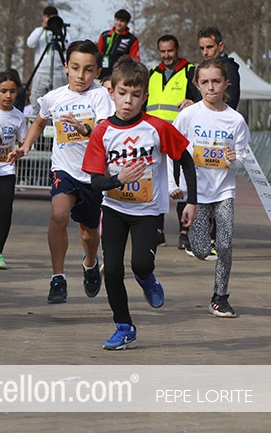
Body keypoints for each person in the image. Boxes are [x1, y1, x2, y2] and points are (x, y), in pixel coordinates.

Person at [82, 58, 197, 350]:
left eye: (135, 95)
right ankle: (124, 327)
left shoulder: (157, 127)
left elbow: (185, 159)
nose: (128, 101)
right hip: (114, 210)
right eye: (122, 93)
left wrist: (192, 201)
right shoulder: (102, 132)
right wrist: (117, 179)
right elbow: (95, 182)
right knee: (113, 271)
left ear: (145, 97)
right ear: (111, 92)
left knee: (141, 264)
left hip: (148, 211)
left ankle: (147, 278)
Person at [11, 40, 113, 304]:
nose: (81, 76)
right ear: (66, 66)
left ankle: (90, 263)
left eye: (88, 70)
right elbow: (39, 121)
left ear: (97, 72)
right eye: (75, 68)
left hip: (91, 173)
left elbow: (104, 131)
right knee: (58, 215)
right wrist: (26, 145)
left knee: (88, 233)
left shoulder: (100, 96)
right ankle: (58, 277)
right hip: (63, 169)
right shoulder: (54, 97)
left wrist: (85, 130)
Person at [173, 58, 250, 318]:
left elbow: (241, 158)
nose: (211, 87)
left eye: (216, 81)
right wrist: (175, 185)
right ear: (197, 85)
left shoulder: (235, 120)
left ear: (226, 83)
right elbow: (172, 151)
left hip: (223, 190)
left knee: (225, 244)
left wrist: (233, 159)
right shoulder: (188, 115)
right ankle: (200, 244)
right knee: (202, 250)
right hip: (195, 193)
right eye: (205, 82)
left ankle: (220, 297)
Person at [146, 34, 201, 250]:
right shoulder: (152, 73)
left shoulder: (190, 71)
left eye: (170, 51)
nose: (166, 55)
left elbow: (202, 100)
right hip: (153, 137)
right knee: (157, 184)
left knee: (181, 186)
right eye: (162, 51)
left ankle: (184, 232)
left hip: (178, 137)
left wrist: (193, 102)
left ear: (177, 49)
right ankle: (157, 231)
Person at [0, 71, 28, 270]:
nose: (8, 96)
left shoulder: (18, 116)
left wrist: (19, 151)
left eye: (12, 91)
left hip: (6, 170)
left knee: (5, 211)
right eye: (3, 91)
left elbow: (24, 143)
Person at [26, 6, 65, 110]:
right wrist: (42, 28)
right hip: (41, 71)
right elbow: (30, 43)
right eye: (48, 17)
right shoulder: (39, 31)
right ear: (44, 17)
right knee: (36, 100)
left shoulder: (62, 32)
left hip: (57, 72)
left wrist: (59, 30)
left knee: (58, 101)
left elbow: (67, 47)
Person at [197, 27, 240, 110]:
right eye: (202, 48)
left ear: (220, 46)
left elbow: (230, 103)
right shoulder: (202, 68)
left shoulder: (229, 69)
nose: (205, 52)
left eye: (209, 47)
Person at [96, 9, 140, 83]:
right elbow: (97, 53)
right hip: (100, 75)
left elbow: (135, 61)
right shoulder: (105, 35)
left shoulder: (132, 40)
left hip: (118, 77)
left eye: (122, 21)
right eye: (117, 20)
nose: (119, 23)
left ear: (127, 23)